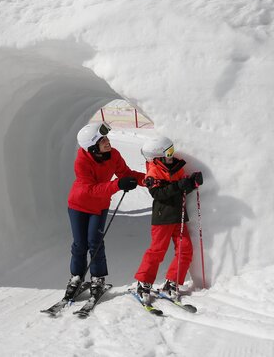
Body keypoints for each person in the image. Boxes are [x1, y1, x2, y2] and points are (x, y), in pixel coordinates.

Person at [63, 121, 145, 300]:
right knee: (79, 244)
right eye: (103, 141)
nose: (108, 142)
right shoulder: (82, 161)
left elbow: (125, 173)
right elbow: (90, 190)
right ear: (93, 147)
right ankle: (76, 278)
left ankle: (98, 279)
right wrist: (117, 185)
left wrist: (147, 180)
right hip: (78, 205)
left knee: (95, 242)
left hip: (99, 206)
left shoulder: (113, 154)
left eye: (106, 138)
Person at [132, 136, 202, 303]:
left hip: (179, 216)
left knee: (185, 250)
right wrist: (179, 185)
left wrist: (192, 183)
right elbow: (158, 194)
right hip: (163, 218)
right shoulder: (153, 172)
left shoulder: (176, 167)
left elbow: (181, 190)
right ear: (158, 156)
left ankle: (172, 283)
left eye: (172, 149)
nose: (172, 154)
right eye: (168, 152)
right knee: (157, 251)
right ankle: (143, 283)